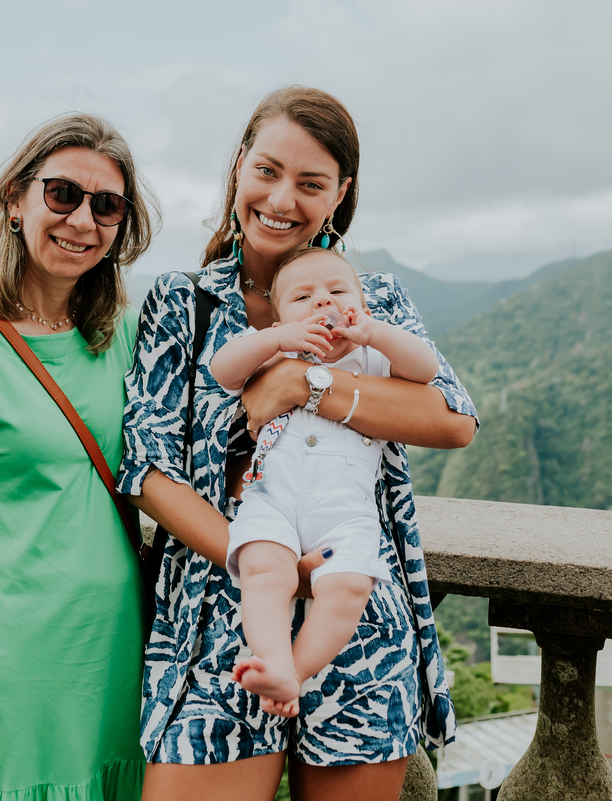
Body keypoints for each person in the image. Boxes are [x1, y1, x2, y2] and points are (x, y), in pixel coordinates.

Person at [120, 86, 478, 801]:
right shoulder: (182, 302)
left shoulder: (370, 300)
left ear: (339, 195)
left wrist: (302, 385)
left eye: (310, 184)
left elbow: (450, 416)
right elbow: (148, 466)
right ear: (238, 170)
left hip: (357, 625)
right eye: (268, 171)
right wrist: (266, 554)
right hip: (214, 627)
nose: (282, 199)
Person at [0, 112, 157, 801]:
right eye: (63, 193)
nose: (82, 219)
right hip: (16, 683)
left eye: (107, 205)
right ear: (16, 198)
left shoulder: (125, 337)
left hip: (119, 671)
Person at [211, 247, 439, 716]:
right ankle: (272, 657)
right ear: (279, 319)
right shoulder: (278, 352)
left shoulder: (373, 360)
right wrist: (275, 340)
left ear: (362, 306)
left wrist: (374, 334)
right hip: (272, 500)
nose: (322, 303)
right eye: (303, 298)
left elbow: (426, 370)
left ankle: (294, 673)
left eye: (338, 292)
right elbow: (223, 370)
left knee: (349, 589)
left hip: (346, 513)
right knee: (263, 573)